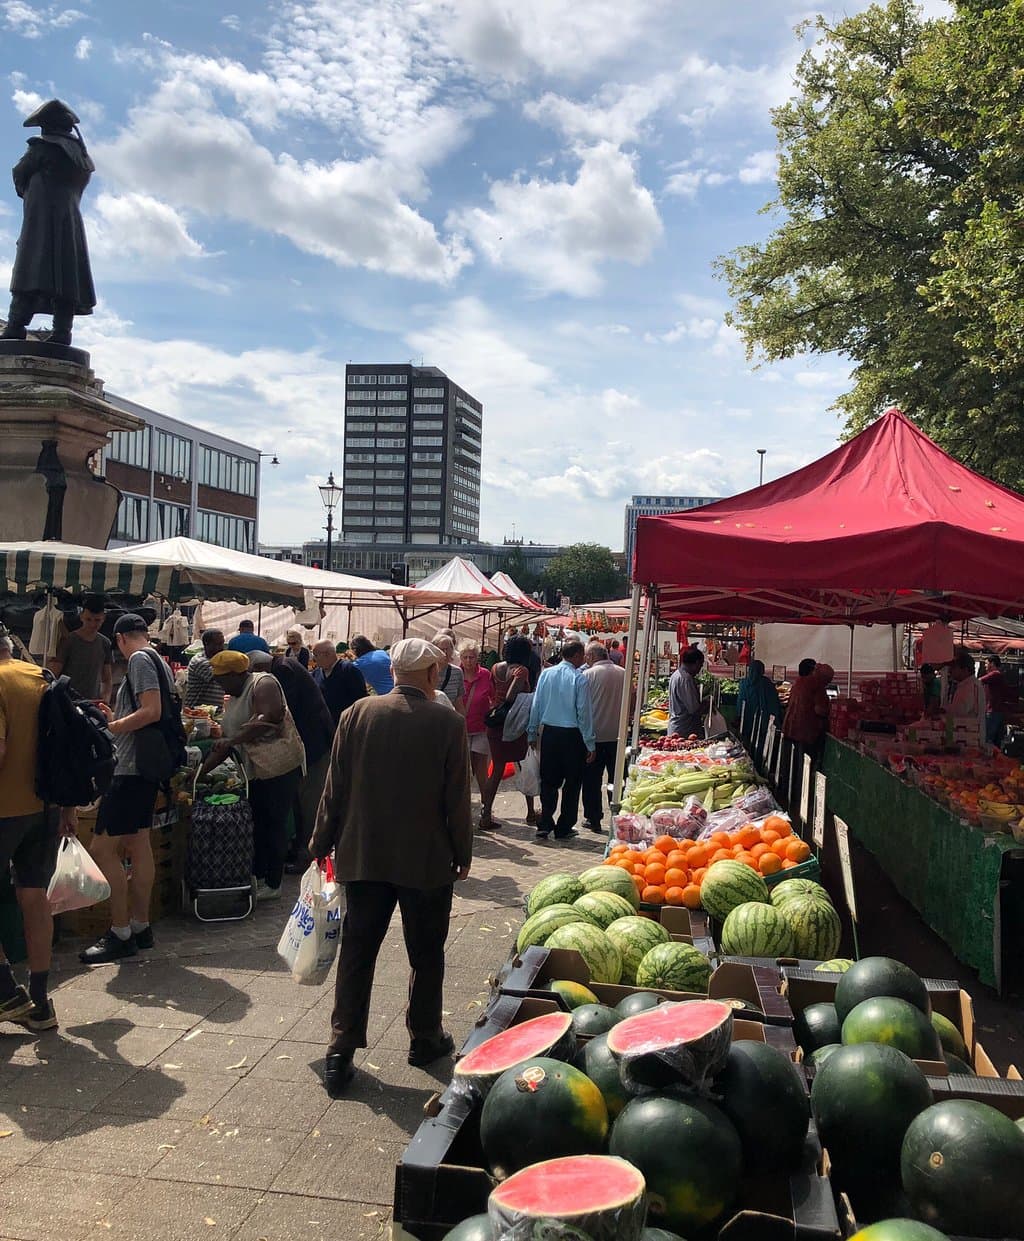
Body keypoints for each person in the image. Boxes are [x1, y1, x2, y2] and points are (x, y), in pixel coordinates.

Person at [310, 637, 472, 1098]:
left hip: (364, 855)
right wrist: (463, 851)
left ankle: (341, 1049)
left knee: (358, 952)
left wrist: (320, 840)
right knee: (426, 952)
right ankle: (424, 1037)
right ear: (431, 674)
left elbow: (334, 786)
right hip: (425, 858)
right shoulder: (446, 722)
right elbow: (456, 798)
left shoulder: (357, 714)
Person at [80, 615, 176, 964]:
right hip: (146, 770)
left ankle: (120, 931)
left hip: (131, 769)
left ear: (120, 639)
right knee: (138, 843)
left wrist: (114, 725)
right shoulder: (159, 660)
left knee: (102, 848)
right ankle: (140, 925)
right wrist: (119, 713)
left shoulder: (138, 660)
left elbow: (152, 711)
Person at [0, 640, 77, 1027]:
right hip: (46, 807)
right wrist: (67, 808)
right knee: (35, 898)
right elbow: (64, 749)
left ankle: (5, 992)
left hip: (4, 810)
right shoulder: (40, 677)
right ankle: (41, 1001)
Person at [201, 650, 305, 901]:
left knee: (274, 823)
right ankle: (257, 876)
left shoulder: (263, 683)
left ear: (237, 674)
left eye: (221, 679)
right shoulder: (235, 696)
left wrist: (232, 740)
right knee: (258, 823)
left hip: (279, 767)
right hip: (256, 771)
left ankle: (273, 881)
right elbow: (226, 744)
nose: (219, 685)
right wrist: (200, 773)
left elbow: (267, 718)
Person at [1, 99, 95, 347]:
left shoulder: (43, 148)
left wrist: (29, 191)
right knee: (66, 277)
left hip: (40, 221)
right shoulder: (81, 158)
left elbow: (19, 173)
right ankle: (62, 331)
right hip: (70, 223)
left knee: (29, 270)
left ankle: (16, 325)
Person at [527, 639, 596, 842]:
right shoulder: (579, 679)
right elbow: (583, 713)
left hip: (549, 734)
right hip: (572, 736)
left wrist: (532, 731)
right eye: (582, 655)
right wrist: (590, 743)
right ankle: (564, 825)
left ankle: (545, 822)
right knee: (572, 783)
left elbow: (536, 704)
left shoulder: (546, 675)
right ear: (576, 656)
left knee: (548, 780)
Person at [480, 634, 537, 830]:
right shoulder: (522, 671)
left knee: (496, 771)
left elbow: (496, 691)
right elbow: (513, 695)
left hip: (495, 723)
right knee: (525, 766)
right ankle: (530, 812)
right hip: (514, 723)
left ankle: (485, 814)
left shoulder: (496, 668)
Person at [580, 642, 626, 834]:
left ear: (590, 657)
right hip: (618, 735)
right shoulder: (624, 672)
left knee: (592, 780)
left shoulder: (587, 676)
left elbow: (581, 707)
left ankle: (594, 817)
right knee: (617, 779)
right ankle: (619, 816)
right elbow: (631, 700)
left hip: (594, 737)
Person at [48, 596, 112, 702]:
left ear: (103, 618)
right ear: (81, 616)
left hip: (92, 703)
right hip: (68, 702)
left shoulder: (105, 643)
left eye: (97, 620)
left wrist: (105, 701)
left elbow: (107, 679)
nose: (92, 624)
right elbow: (54, 673)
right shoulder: (69, 641)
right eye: (88, 619)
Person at [459, 641, 493, 800]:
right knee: (463, 769)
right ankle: (463, 804)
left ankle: (486, 806)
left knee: (480, 768)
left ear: (477, 657)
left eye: (471, 657)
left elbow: (493, 697)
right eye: (465, 657)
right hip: (460, 730)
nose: (468, 661)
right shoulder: (454, 674)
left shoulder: (485, 674)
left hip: (481, 728)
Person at [312, 639, 367, 727]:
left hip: (344, 725)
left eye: (315, 655)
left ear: (327, 654)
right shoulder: (316, 673)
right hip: (323, 726)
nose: (313, 659)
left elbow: (360, 700)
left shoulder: (349, 671)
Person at [948, 649, 985, 748]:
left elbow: (959, 712)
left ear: (965, 670)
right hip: (965, 738)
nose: (951, 671)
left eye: (954, 667)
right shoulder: (966, 685)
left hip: (969, 740)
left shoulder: (971, 687)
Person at [668, 647, 707, 739]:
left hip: (678, 727)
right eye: (700, 665)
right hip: (684, 731)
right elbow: (694, 709)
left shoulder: (676, 674)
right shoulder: (685, 679)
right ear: (696, 663)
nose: (699, 670)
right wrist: (706, 705)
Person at [184, 628, 226, 709]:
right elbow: (221, 677)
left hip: (213, 712)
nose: (222, 647)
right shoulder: (199, 661)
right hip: (196, 712)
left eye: (222, 643)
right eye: (218, 644)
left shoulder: (218, 659)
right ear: (207, 644)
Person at [737, 660, 783, 731]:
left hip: (746, 720)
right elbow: (773, 704)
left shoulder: (743, 682)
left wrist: (739, 715)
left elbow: (740, 703)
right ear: (762, 671)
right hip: (762, 723)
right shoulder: (766, 683)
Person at [980, 655, 1013, 747]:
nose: (985, 666)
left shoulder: (995, 674)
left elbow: (978, 681)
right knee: (996, 741)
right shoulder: (998, 675)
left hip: (992, 711)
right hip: (997, 711)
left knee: (987, 739)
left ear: (992, 664)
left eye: (986, 663)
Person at [433, 636, 465, 713]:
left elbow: (459, 703)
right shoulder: (425, 671)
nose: (445, 653)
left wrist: (462, 723)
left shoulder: (457, 672)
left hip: (448, 720)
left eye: (447, 649)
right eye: (441, 649)